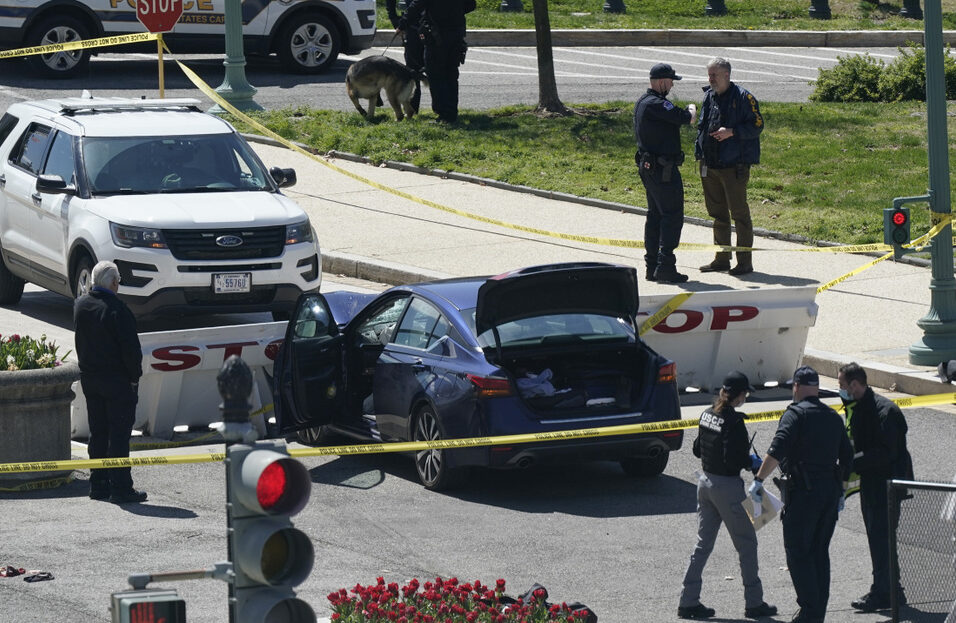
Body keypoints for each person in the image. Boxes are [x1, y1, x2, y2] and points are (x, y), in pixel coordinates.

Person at [750, 365, 853, 623]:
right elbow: (848, 457)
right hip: (829, 492)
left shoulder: (794, 415)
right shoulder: (832, 416)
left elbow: (777, 451)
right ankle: (817, 612)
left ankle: (809, 611)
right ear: (816, 388)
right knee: (820, 551)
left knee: (798, 551)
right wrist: (840, 491)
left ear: (796, 387)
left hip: (803, 494)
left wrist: (759, 479)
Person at [678, 371, 777, 620]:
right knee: (747, 544)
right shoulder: (734, 422)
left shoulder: (707, 414)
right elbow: (734, 459)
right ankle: (754, 603)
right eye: (745, 394)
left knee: (702, 545)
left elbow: (697, 450)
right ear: (740, 395)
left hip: (705, 483)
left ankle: (687, 601)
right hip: (727, 487)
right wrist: (752, 462)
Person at [838, 362, 913, 612]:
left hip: (887, 487)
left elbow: (885, 454)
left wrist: (851, 463)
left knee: (882, 539)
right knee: (878, 539)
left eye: (842, 386)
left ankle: (885, 592)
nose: (841, 391)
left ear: (855, 385)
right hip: (872, 485)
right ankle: (891, 590)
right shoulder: (860, 408)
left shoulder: (885, 412)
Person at [74, 261, 146, 504]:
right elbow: (131, 352)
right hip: (117, 382)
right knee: (118, 435)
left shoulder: (81, 306)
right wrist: (134, 378)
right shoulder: (118, 310)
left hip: (91, 379)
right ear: (114, 283)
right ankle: (121, 487)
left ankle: (98, 484)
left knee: (98, 432)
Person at [695, 57, 764, 277]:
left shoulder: (744, 97)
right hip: (710, 164)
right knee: (718, 215)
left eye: (714, 75)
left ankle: (744, 262)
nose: (710, 79)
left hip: (734, 167)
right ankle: (722, 259)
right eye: (709, 75)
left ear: (727, 75)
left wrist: (732, 132)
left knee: (740, 215)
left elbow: (757, 125)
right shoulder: (709, 96)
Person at [634, 62, 697, 284]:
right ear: (662, 82)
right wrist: (691, 108)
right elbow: (686, 118)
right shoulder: (657, 104)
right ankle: (666, 266)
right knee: (671, 216)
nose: (672, 85)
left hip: (650, 168)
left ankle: (653, 267)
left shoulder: (643, 101)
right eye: (671, 81)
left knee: (655, 216)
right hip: (663, 171)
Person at [401, 0, 474, 124]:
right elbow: (471, 5)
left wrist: (402, 23)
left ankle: (443, 115)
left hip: (436, 35)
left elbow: (417, 5)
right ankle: (451, 113)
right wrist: (454, 12)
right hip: (456, 33)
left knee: (436, 75)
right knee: (451, 74)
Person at [386, 0, 424, 112]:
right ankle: (412, 107)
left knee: (435, 70)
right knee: (412, 70)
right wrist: (395, 20)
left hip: (432, 25)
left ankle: (441, 110)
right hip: (412, 26)